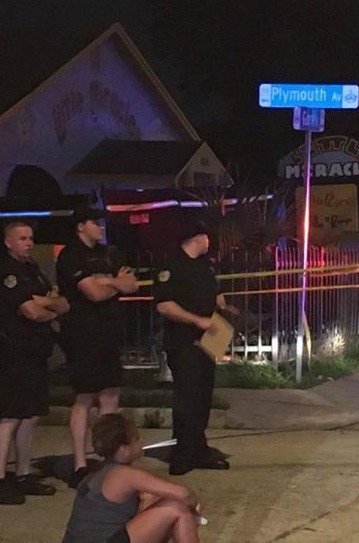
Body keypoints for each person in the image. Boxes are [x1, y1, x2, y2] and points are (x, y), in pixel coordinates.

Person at [0, 220, 70, 505]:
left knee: (31, 414)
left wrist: (45, 304)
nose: (29, 243)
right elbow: (32, 312)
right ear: (8, 241)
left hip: (35, 352)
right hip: (14, 353)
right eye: (22, 238)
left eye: (31, 238)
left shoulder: (32, 270)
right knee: (10, 416)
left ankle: (22, 474)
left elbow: (62, 303)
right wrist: (47, 306)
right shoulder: (5, 272)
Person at [57, 208, 140, 487]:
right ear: (81, 226)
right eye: (95, 222)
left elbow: (131, 284)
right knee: (84, 397)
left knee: (110, 396)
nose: (101, 227)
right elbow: (91, 293)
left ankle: (109, 459)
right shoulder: (70, 256)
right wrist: (113, 283)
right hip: (82, 334)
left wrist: (108, 282)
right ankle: (80, 464)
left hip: (109, 333)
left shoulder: (110, 253)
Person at [153, 218, 235, 475]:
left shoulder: (204, 266)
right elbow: (165, 305)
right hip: (184, 341)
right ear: (196, 238)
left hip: (208, 341)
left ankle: (198, 448)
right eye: (207, 237)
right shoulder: (172, 266)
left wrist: (225, 308)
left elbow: (214, 294)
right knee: (187, 398)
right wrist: (199, 321)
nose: (209, 242)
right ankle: (182, 453)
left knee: (202, 397)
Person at [62, 413, 202, 543]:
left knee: (155, 501)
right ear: (124, 449)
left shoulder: (98, 471)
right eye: (136, 439)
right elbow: (183, 493)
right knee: (177, 509)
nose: (141, 441)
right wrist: (194, 510)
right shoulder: (124, 474)